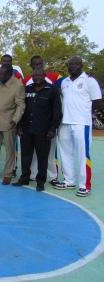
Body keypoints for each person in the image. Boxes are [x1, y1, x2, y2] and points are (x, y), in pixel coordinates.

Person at [55, 56, 103, 197]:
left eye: (76, 64)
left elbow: (98, 102)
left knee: (83, 155)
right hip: (64, 123)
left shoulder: (89, 81)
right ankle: (69, 180)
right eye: (70, 64)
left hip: (81, 123)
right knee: (65, 153)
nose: (72, 66)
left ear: (81, 65)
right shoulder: (64, 82)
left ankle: (84, 185)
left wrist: (84, 113)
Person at [13, 68, 62, 191]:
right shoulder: (27, 89)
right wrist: (18, 126)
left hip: (44, 131)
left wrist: (52, 129)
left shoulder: (52, 90)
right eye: (35, 75)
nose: (37, 77)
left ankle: (41, 182)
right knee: (25, 156)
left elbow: (57, 112)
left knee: (42, 157)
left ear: (44, 75)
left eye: (40, 75)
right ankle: (24, 178)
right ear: (32, 77)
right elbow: (20, 109)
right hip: (26, 129)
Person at [23, 55, 63, 185]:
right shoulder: (27, 83)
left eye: (40, 64)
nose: (37, 67)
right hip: (28, 127)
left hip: (45, 128)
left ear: (43, 66)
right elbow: (22, 106)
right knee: (29, 155)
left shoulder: (54, 80)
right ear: (31, 66)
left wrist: (53, 128)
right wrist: (20, 126)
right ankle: (30, 176)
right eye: (35, 65)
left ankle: (51, 177)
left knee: (47, 155)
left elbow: (57, 109)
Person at [0, 64, 25, 185]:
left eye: (2, 73)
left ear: (9, 74)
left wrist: (15, 120)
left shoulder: (18, 85)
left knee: (9, 150)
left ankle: (8, 174)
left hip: (9, 122)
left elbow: (21, 105)